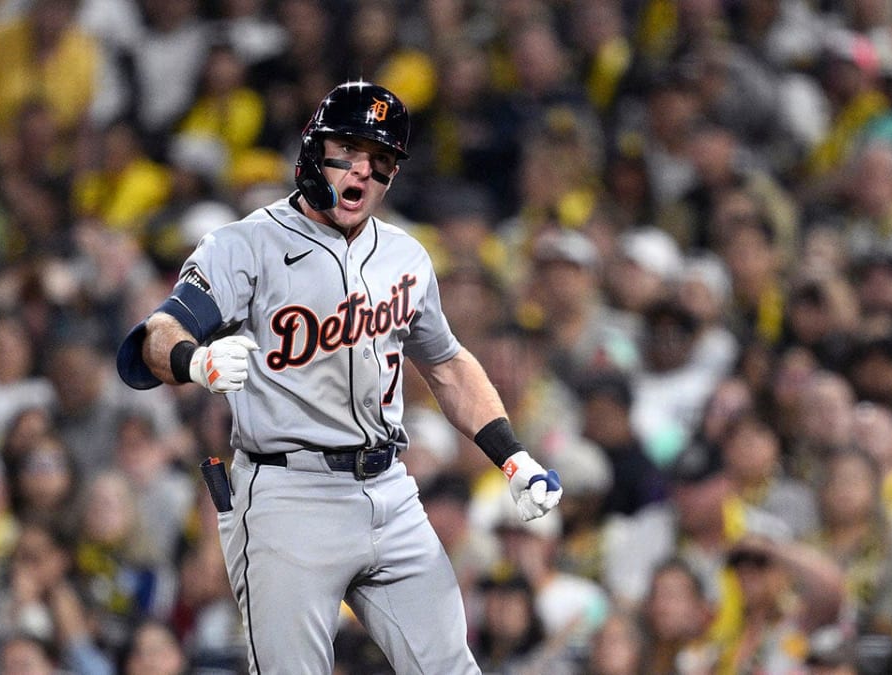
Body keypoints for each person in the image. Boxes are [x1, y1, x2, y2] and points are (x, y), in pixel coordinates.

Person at [116, 81, 563, 673]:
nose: (362, 173)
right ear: (312, 149)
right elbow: (158, 334)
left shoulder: (406, 255)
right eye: (348, 151)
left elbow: (447, 364)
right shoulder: (245, 245)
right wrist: (195, 361)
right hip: (287, 493)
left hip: (390, 489)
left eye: (381, 162)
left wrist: (513, 457)